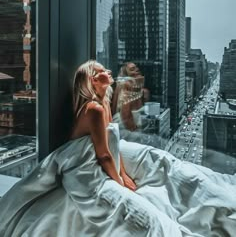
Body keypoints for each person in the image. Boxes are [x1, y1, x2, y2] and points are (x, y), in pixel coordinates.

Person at [0, 60, 236, 237]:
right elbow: (102, 155)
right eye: (102, 71)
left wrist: (123, 173)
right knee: (142, 217)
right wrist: (119, 182)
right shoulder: (94, 109)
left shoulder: (101, 104)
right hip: (87, 176)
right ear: (92, 80)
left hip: (98, 168)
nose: (109, 72)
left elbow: (110, 148)